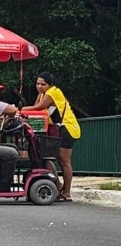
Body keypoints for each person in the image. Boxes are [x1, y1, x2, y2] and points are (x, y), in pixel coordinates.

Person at [22, 71, 81, 202]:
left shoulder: (53, 92)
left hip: (67, 128)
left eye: (43, 84)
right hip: (57, 129)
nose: (39, 86)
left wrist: (20, 110)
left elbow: (39, 107)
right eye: (37, 84)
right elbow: (39, 108)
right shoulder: (43, 94)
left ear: (50, 84)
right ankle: (58, 186)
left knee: (64, 161)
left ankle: (66, 192)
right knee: (46, 156)